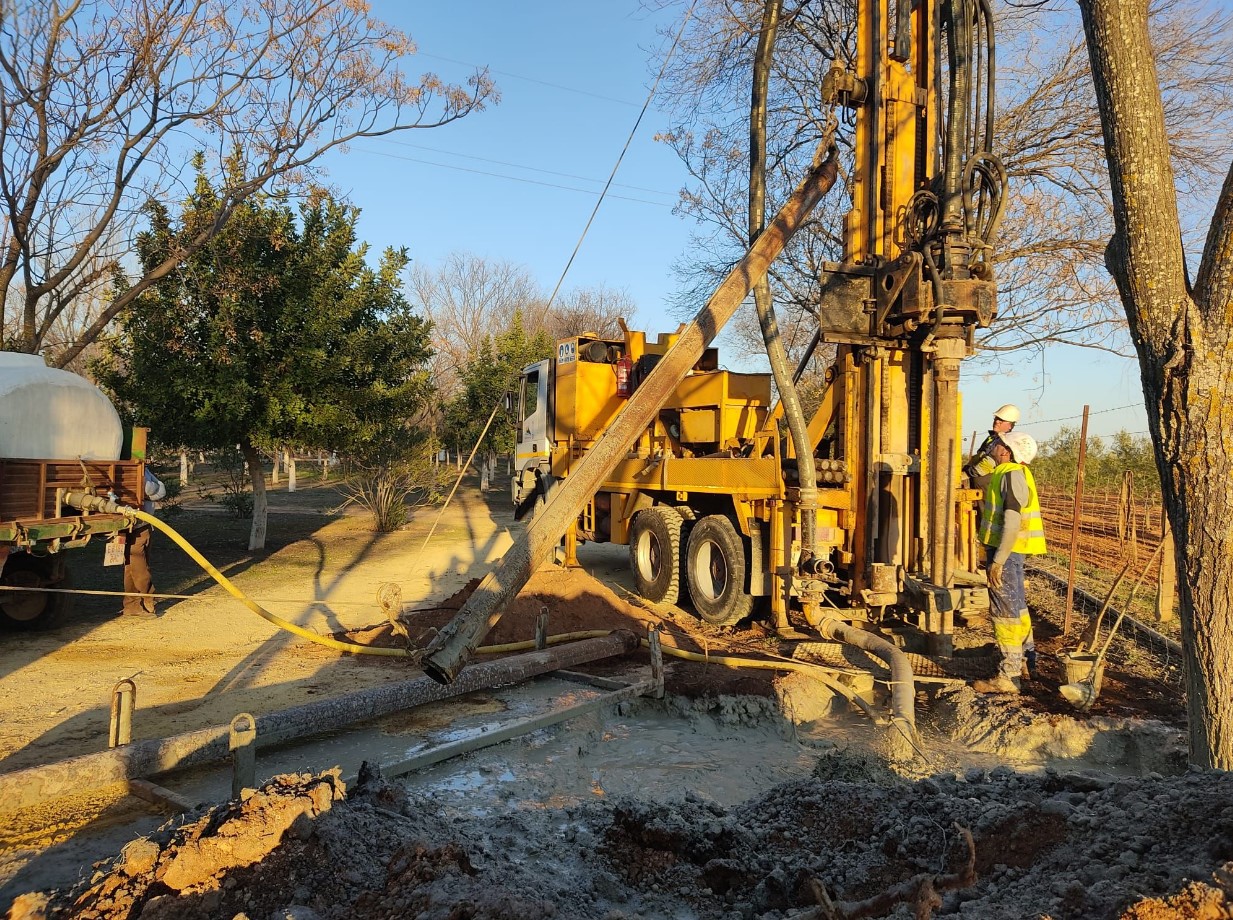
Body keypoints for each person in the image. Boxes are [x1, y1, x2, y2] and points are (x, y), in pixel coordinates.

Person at [971, 431, 1046, 694]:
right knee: (1018, 607)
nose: (994, 445)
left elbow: (1012, 521)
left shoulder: (1011, 475)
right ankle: (1027, 661)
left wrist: (998, 561)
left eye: (999, 443)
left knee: (1005, 612)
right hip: (1013, 551)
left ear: (1007, 451)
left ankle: (1009, 674)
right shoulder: (1012, 472)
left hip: (1007, 552)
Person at [122, 467, 166, 618]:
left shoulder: (143, 468)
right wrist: (151, 490)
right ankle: (144, 600)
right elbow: (153, 488)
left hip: (142, 523)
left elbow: (161, 490)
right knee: (138, 564)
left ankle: (132, 604)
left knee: (132, 564)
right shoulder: (135, 468)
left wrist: (151, 490)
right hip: (138, 524)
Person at [963, 403, 1020, 492]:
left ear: (1010, 426)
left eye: (1001, 420)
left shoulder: (1006, 442)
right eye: (996, 418)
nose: (997, 422)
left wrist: (967, 474)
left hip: (997, 479)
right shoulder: (991, 438)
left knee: (980, 480)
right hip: (983, 475)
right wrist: (967, 467)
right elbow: (980, 455)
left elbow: (990, 462)